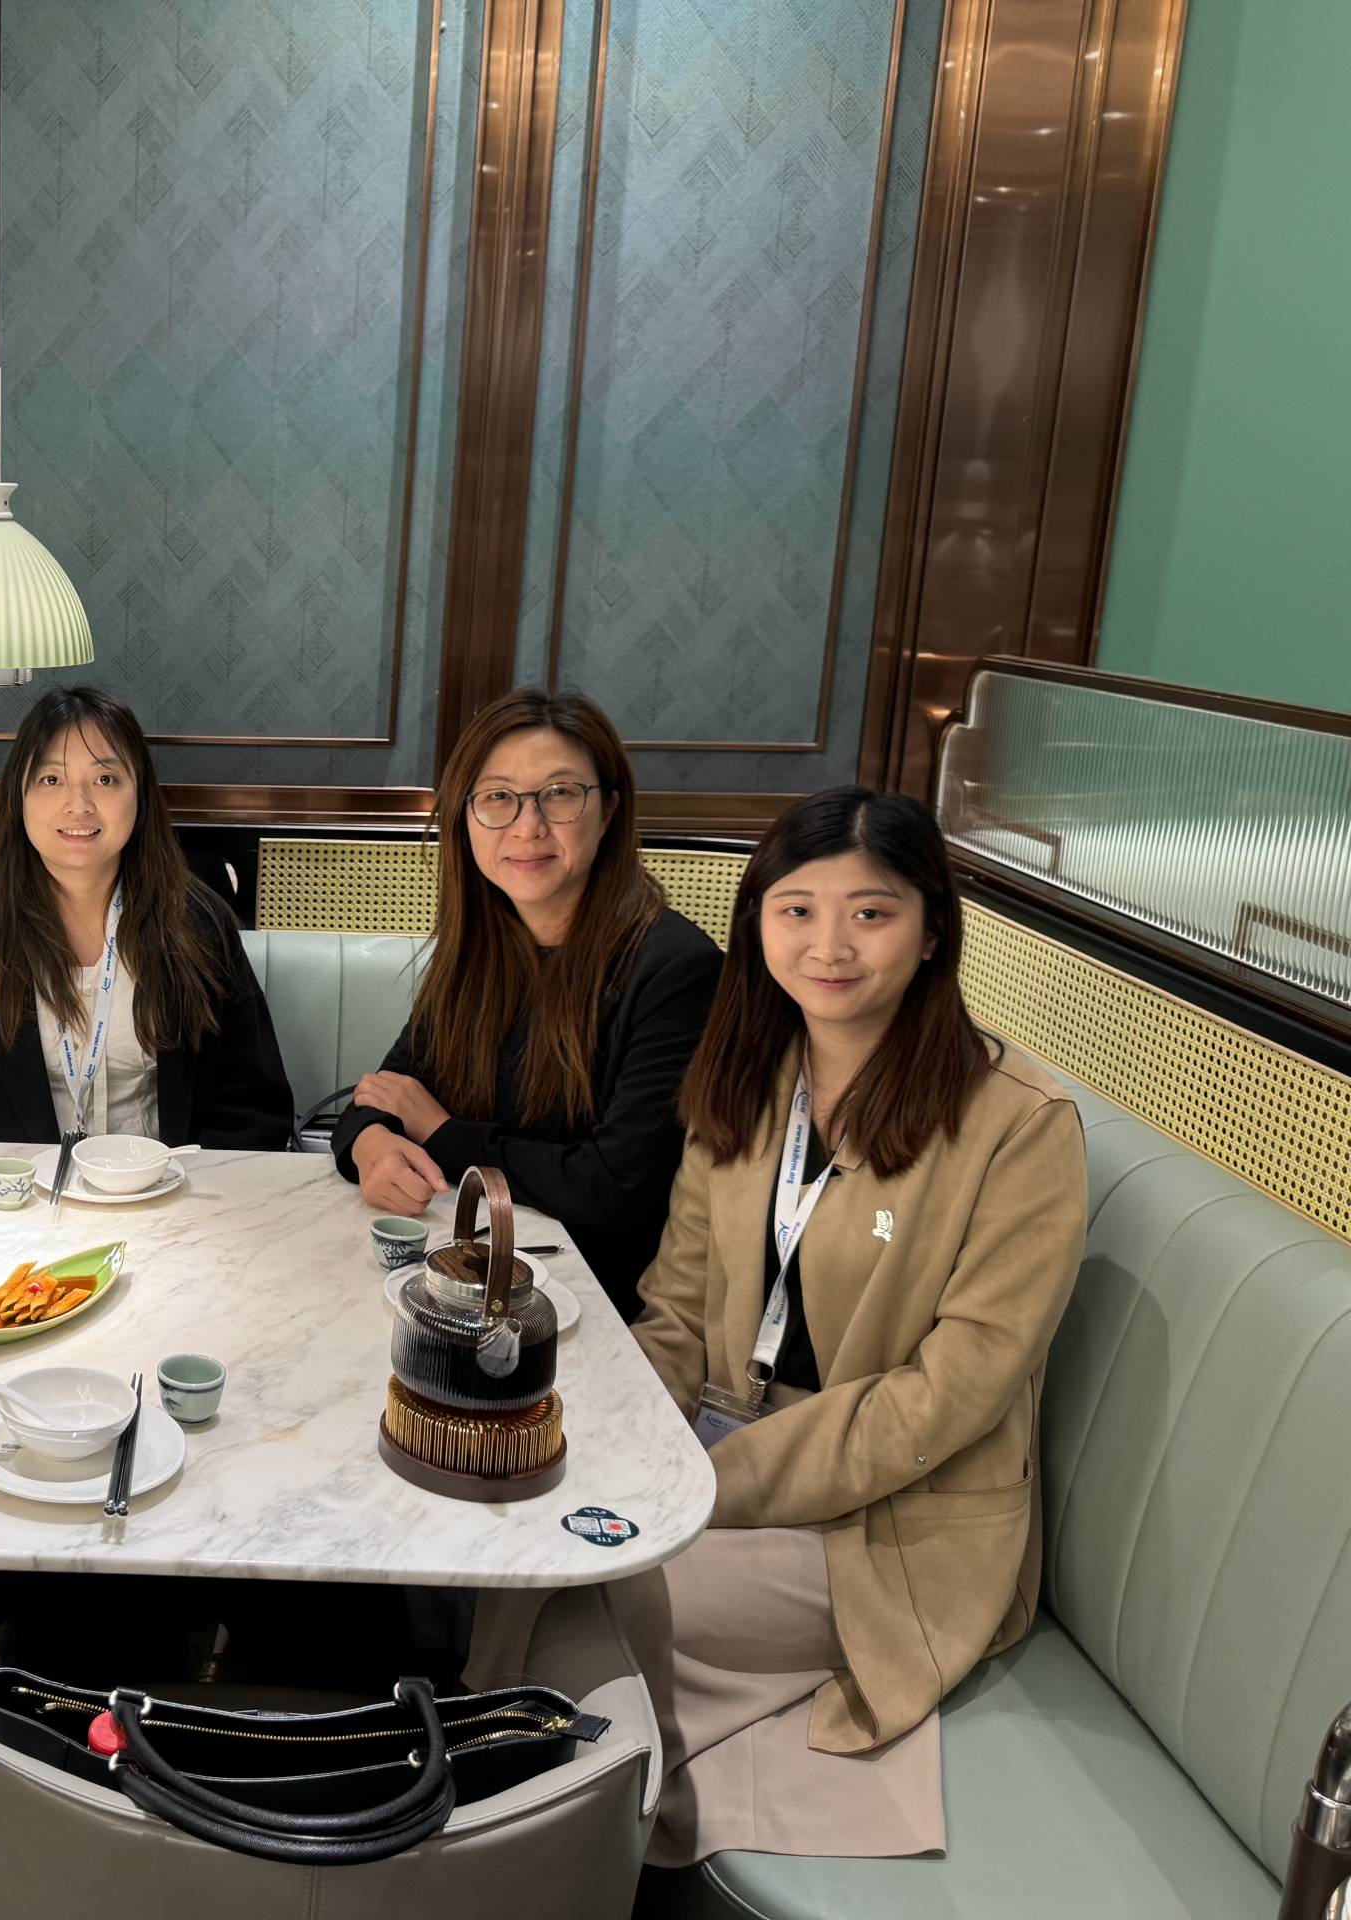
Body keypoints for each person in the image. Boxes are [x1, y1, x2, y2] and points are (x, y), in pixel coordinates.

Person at [619, 785, 1086, 1865]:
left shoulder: (1019, 1126)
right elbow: (675, 1309)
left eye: (871, 913)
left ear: (931, 932)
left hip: (895, 1518)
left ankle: (577, 1848)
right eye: (797, 910)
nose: (829, 946)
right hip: (718, 1456)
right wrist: (620, 1446)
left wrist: (703, 1489)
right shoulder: (748, 1078)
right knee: (542, 1549)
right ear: (758, 924)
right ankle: (536, 1824)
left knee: (611, 1589)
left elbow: (948, 1399)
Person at [331, 689, 720, 1318]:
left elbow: (616, 1188)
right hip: (470, 1278)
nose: (528, 825)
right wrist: (369, 1143)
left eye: (560, 793)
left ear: (610, 809)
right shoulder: (480, 949)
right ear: (466, 817)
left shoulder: (676, 968)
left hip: (591, 1306)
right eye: (497, 797)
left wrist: (445, 1134)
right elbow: (385, 1094)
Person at [0, 686, 292, 1150]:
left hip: (170, 1186)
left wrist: (189, 1181)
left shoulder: (197, 925)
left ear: (141, 796)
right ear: (19, 796)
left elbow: (253, 1104)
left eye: (105, 779)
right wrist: (0, 1183)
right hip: (11, 1191)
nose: (78, 804)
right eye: (51, 779)